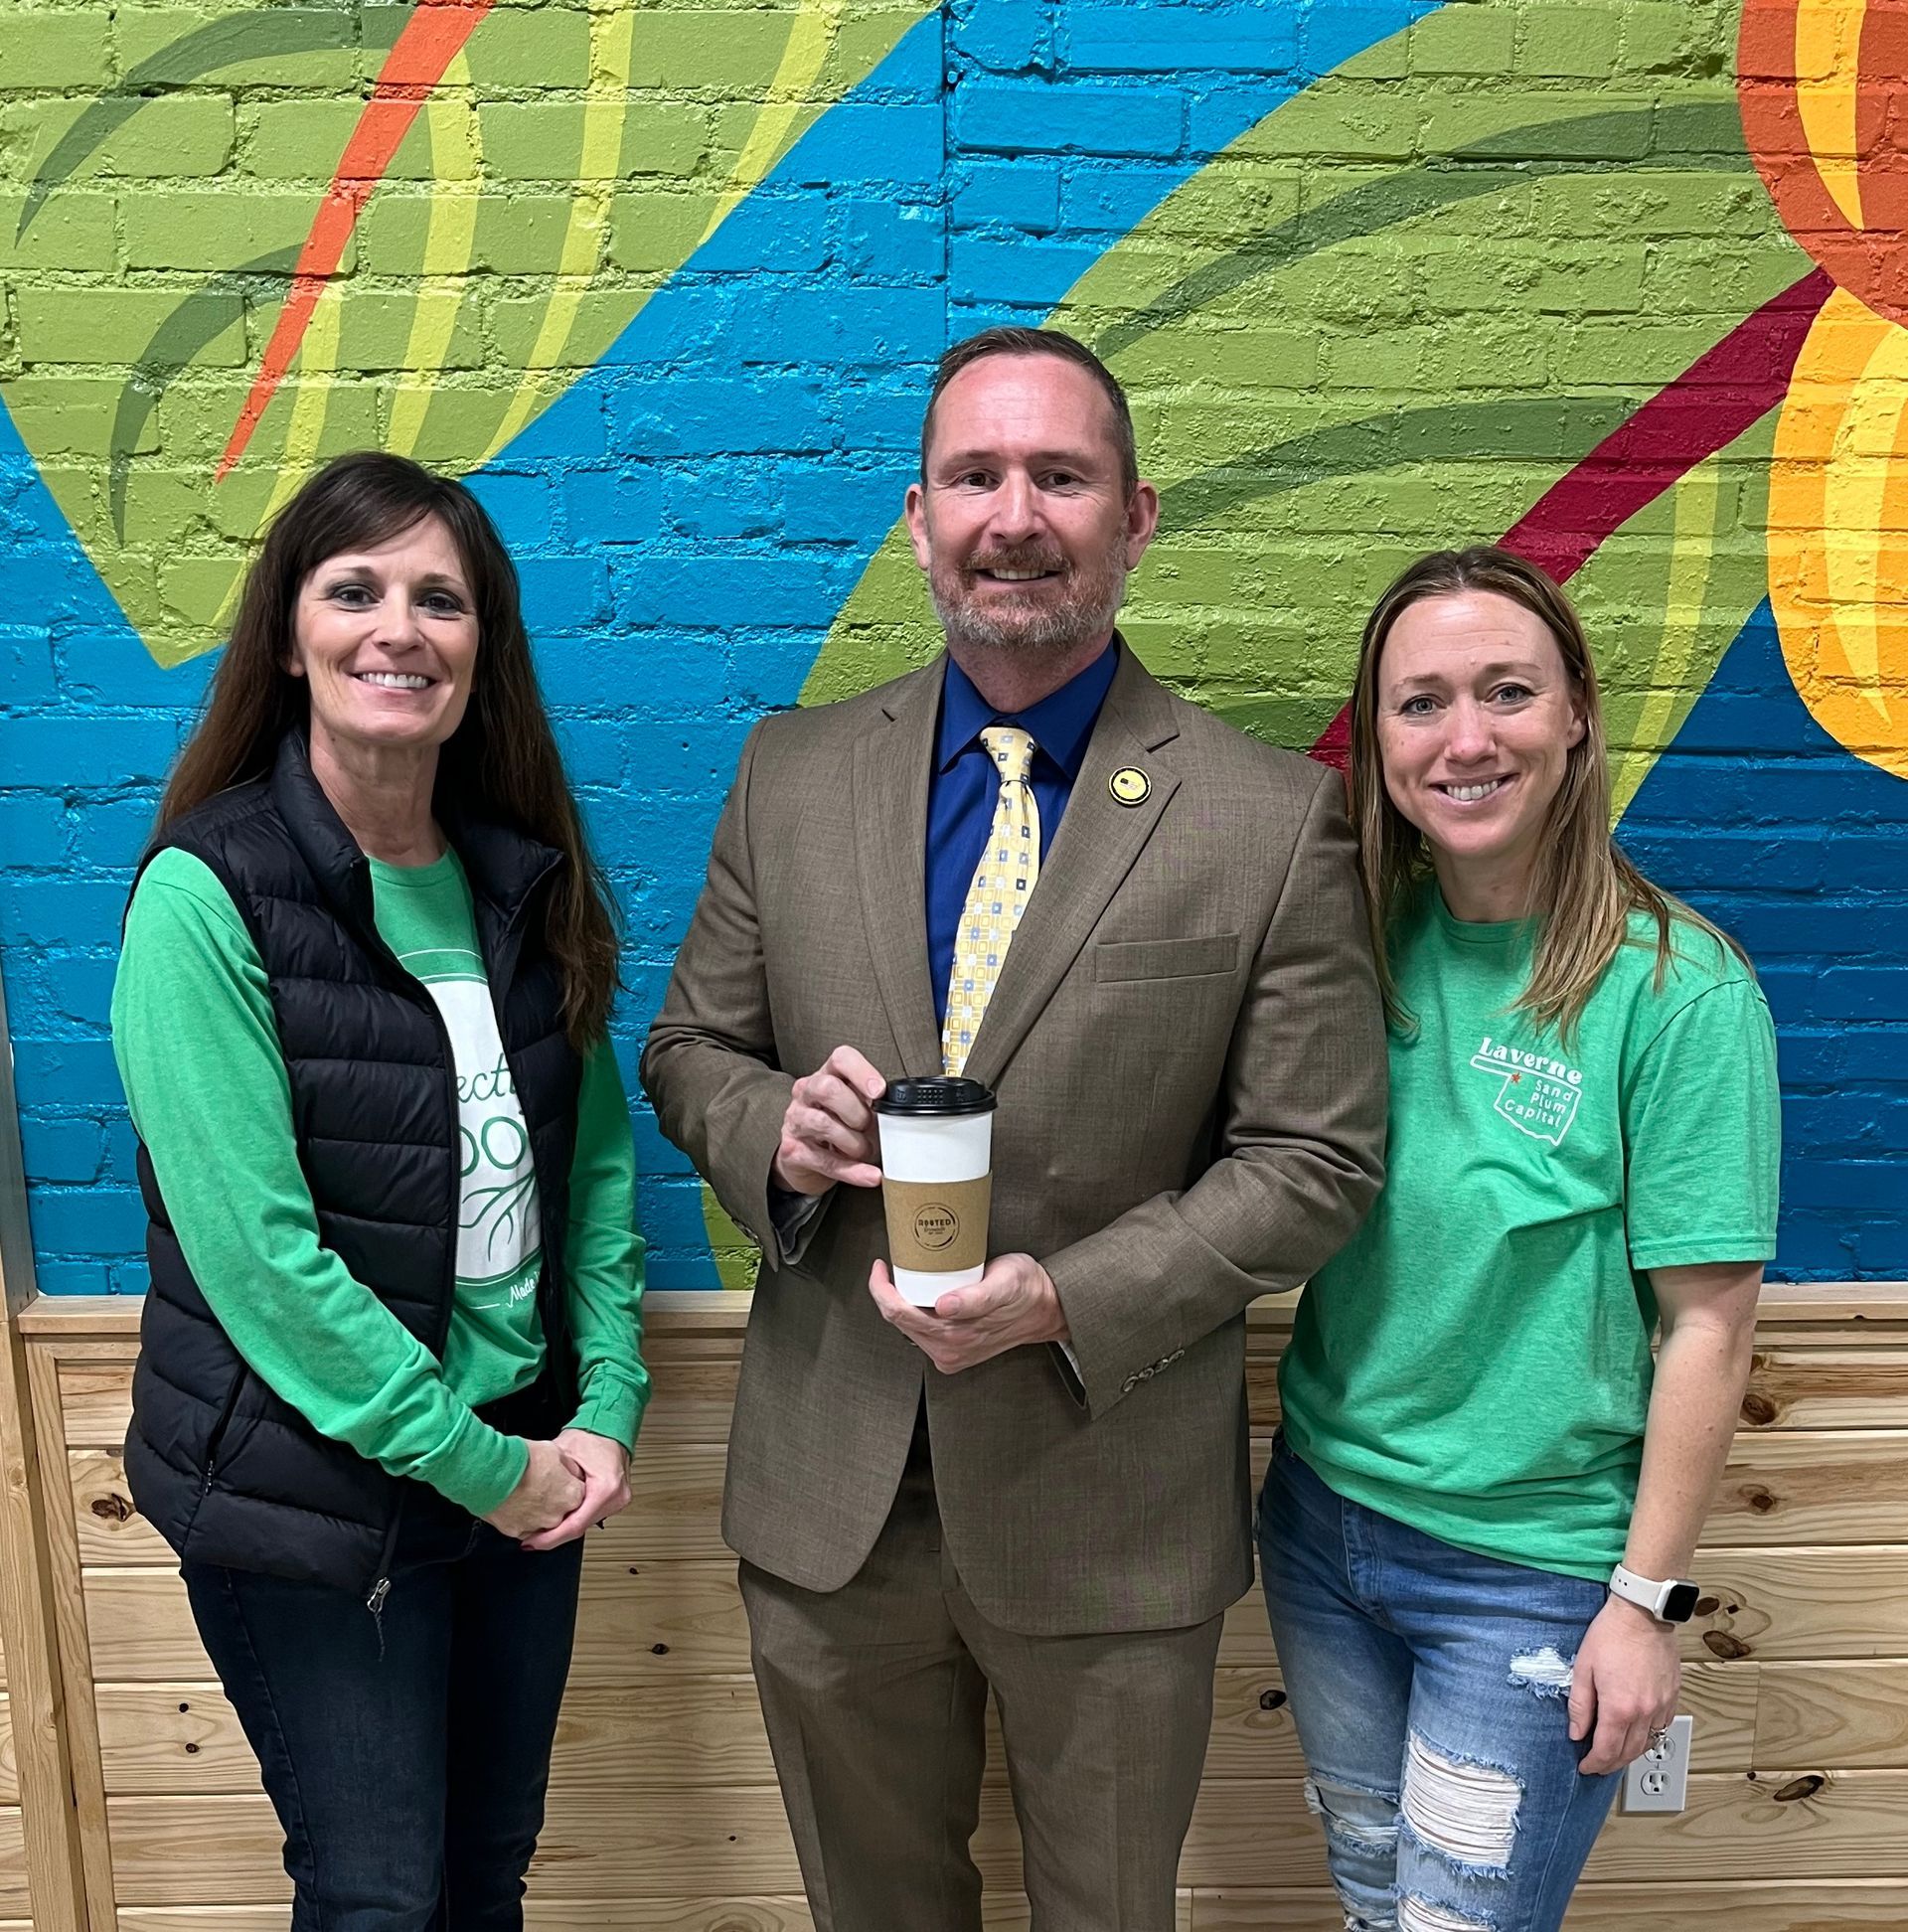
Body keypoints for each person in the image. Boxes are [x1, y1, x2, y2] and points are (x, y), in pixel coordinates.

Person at [641, 326, 1388, 1932]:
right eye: (975, 476)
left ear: (1136, 519)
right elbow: (690, 1048)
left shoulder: (1269, 817)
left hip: (1106, 1503)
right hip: (830, 1502)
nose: (1015, 513)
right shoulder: (790, 775)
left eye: (1062, 474)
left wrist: (1071, 1297)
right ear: (917, 519)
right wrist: (776, 1128)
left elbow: (1318, 1159)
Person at [113, 450, 649, 1931]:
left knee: (487, 1873)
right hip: (318, 1499)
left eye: (441, 598)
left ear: (484, 648)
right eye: (354, 590)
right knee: (373, 1895)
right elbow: (266, 1267)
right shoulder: (203, 899)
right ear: (289, 633)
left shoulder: (518, 885)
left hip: (522, 1479)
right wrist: (490, 1468)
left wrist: (600, 1403)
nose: (396, 628)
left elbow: (591, 1171)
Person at [1260, 547, 1780, 1932]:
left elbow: (1710, 1324)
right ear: (1377, 744)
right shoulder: (1346, 947)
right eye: (1421, 703)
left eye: (1507, 692)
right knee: (1373, 1891)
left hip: (1530, 1578)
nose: (1466, 738)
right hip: (1320, 1526)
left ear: (1576, 719)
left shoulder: (1679, 993)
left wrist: (1645, 1603)